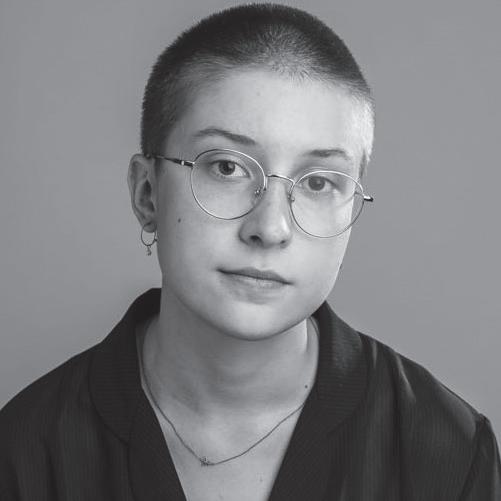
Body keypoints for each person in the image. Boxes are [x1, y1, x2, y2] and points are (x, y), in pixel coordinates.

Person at [0, 3, 499, 500]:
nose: (270, 228)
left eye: (318, 182)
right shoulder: (24, 451)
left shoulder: (447, 452)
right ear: (147, 194)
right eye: (227, 168)